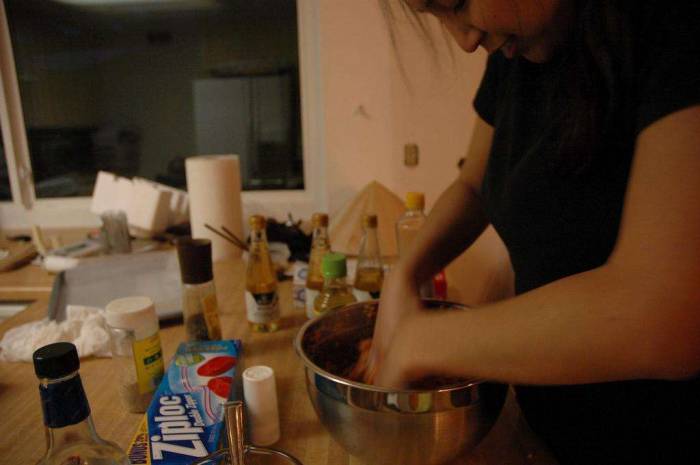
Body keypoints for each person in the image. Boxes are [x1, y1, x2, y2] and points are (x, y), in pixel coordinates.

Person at [365, 1, 700, 464]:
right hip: (546, 438)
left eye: (458, 3)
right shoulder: (515, 54)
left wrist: (425, 340)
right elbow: (474, 184)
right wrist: (404, 271)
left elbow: (665, 314)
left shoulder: (677, 29)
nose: (463, 40)